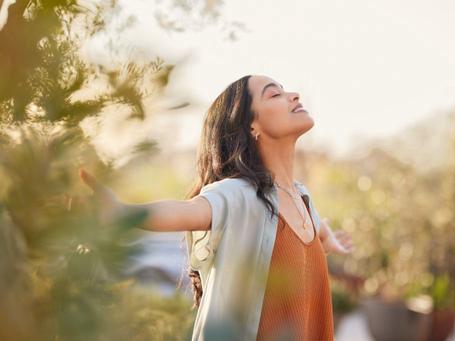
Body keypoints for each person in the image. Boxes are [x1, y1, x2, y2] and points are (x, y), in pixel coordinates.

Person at [79, 75, 354, 340]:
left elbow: (314, 230)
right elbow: (188, 212)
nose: (293, 95)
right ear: (251, 126)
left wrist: (329, 240)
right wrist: (123, 213)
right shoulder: (239, 194)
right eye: (274, 94)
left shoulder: (302, 198)